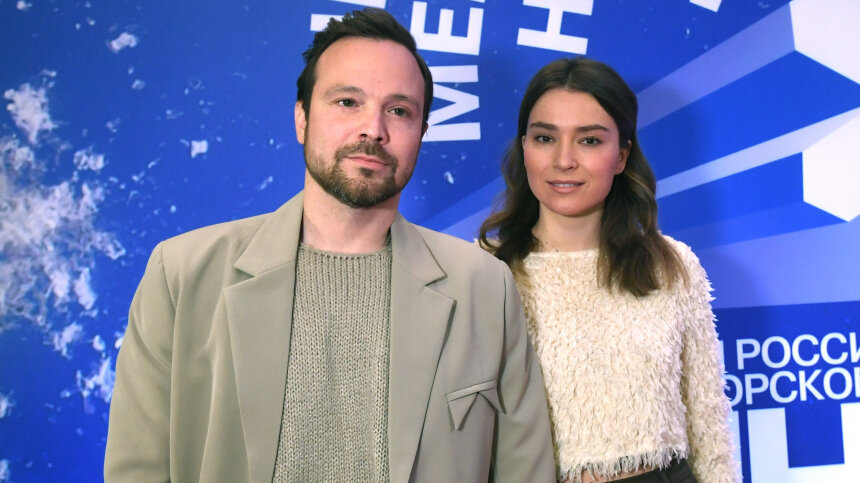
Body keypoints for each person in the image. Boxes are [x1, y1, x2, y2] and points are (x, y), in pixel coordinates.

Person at [105, 8, 555, 482]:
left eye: (399, 111)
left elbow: (525, 472)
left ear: (421, 134)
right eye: (347, 102)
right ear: (301, 119)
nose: (373, 128)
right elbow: (137, 470)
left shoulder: (483, 287)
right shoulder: (182, 274)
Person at [478, 58, 739, 483]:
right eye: (545, 138)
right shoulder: (484, 269)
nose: (564, 160)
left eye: (589, 141)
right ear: (524, 147)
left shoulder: (670, 265)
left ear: (621, 156)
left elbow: (708, 424)